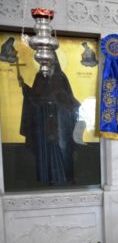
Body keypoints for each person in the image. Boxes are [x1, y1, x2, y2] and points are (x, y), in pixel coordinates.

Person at [19, 55, 80, 185]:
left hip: (61, 121)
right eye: (45, 61)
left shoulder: (61, 77)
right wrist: (25, 88)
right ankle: (46, 179)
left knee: (63, 148)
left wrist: (58, 100)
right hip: (43, 120)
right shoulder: (39, 76)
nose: (48, 63)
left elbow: (69, 98)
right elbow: (35, 98)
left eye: (51, 61)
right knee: (45, 150)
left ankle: (65, 178)